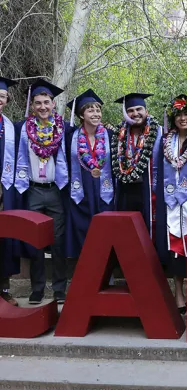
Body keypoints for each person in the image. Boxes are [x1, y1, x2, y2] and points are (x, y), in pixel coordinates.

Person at [14, 79, 68, 304]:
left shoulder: (65, 129)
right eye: (38, 103)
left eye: (46, 102)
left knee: (58, 241)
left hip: (56, 190)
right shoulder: (21, 129)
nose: (43, 107)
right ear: (32, 105)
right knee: (34, 241)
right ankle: (37, 288)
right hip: (33, 190)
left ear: (53, 104)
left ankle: (59, 289)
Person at [154, 94, 187, 314]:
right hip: (170, 200)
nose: (183, 118)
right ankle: (178, 292)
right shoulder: (165, 141)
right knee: (173, 245)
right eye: (179, 114)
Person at [64, 89, 114, 259]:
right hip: (81, 191)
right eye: (90, 110)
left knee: (105, 229)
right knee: (83, 229)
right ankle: (85, 272)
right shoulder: (71, 137)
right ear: (81, 115)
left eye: (98, 110)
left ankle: (106, 271)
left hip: (104, 192)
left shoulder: (110, 135)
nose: (96, 113)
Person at [111, 93, 161, 252]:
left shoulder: (158, 132)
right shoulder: (119, 134)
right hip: (126, 188)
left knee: (148, 226)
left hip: (149, 187)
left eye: (139, 109)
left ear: (146, 111)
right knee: (127, 228)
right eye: (130, 110)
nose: (135, 113)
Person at [0, 77, 19, 306]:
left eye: (2, 96)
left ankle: (3, 289)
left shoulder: (9, 126)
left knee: (3, 240)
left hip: (3, 191)